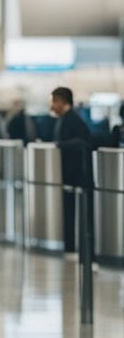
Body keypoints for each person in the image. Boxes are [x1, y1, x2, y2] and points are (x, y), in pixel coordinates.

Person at [50, 87, 92, 255]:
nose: (52, 106)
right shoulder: (65, 119)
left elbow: (83, 142)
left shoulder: (73, 120)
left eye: (54, 101)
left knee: (78, 214)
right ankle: (70, 247)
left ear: (62, 101)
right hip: (68, 176)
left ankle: (77, 250)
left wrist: (60, 146)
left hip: (76, 177)